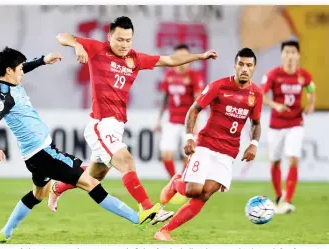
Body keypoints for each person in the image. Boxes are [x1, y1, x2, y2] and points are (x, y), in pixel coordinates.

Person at [47, 16, 217, 225]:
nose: (124, 45)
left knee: (93, 177)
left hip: (116, 126)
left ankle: (57, 187)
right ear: (109, 37)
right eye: (119, 40)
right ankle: (147, 209)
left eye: (128, 40)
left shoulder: (135, 59)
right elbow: (61, 36)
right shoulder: (97, 49)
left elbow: (170, 60)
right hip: (100, 124)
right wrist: (76, 45)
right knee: (126, 161)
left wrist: (201, 56)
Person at [0, 47, 155, 243]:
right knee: (90, 183)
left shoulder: (4, 81)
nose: (23, 71)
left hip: (34, 156)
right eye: (20, 68)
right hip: (44, 154)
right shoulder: (2, 97)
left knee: (38, 194)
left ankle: (5, 232)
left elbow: (24, 68)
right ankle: (138, 218)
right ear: (9, 70)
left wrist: (42, 59)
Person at [154, 48, 263, 241]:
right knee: (192, 190)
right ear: (235, 66)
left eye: (249, 65)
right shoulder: (218, 86)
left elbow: (255, 122)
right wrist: (189, 136)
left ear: (254, 68)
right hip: (205, 145)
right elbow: (194, 110)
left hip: (228, 153)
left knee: (205, 194)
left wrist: (253, 143)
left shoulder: (256, 94)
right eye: (241, 64)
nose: (244, 69)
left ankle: (165, 231)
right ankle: (175, 183)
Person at [261, 40, 316, 214]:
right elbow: (261, 94)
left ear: (298, 55)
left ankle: (287, 199)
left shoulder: (304, 75)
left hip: (295, 123)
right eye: (287, 52)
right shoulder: (273, 74)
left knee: (293, 159)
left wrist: (310, 105)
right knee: (275, 161)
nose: (290, 56)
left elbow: (311, 90)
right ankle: (278, 195)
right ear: (282, 54)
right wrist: (275, 105)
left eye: (293, 52)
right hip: (276, 125)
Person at [154, 44, 205, 178]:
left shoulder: (194, 76)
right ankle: (174, 182)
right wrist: (159, 120)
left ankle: (181, 183)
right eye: (179, 56)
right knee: (166, 154)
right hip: (172, 120)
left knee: (187, 155)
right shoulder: (169, 74)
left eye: (185, 56)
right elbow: (165, 98)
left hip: (188, 122)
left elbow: (198, 102)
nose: (182, 59)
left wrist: (195, 124)